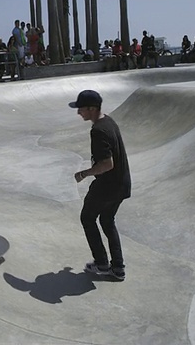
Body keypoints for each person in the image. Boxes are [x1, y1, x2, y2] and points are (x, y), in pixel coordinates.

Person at [69, 90, 131, 281]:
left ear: (91, 108)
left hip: (107, 186)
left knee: (87, 218)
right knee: (106, 220)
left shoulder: (98, 131)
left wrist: (84, 173)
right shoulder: (108, 121)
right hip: (121, 185)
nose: (79, 112)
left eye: (81, 108)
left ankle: (102, 263)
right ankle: (117, 268)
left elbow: (107, 163)